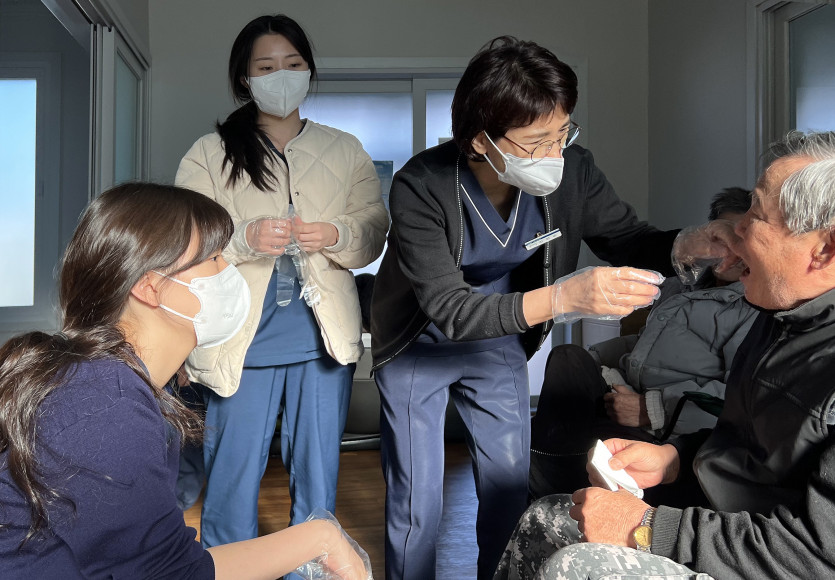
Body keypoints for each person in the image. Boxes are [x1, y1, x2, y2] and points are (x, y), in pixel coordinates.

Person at [370, 36, 681, 580]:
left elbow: (628, 238)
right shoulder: (421, 186)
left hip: (498, 345)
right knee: (418, 502)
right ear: (480, 140)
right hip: (421, 343)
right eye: (537, 141)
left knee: (508, 490)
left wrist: (689, 245)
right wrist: (564, 297)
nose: (555, 154)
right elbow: (450, 310)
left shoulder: (573, 172)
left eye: (563, 133)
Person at [494, 130, 835, 580]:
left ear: (824, 250)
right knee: (548, 516)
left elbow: (814, 555)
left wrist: (647, 528)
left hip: (765, 557)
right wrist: (674, 460)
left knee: (577, 565)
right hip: (723, 519)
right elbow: (746, 448)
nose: (737, 230)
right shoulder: (777, 316)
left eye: (757, 214)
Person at [0, 183, 370, 580]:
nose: (230, 273)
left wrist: (320, 539)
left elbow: (167, 564)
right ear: (150, 286)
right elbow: (174, 575)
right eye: (214, 258)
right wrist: (320, 538)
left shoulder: (109, 382)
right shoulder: (104, 403)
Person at [175, 14, 388, 548]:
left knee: (318, 481)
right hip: (240, 342)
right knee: (231, 479)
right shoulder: (210, 152)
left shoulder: (345, 149)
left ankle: (309, 569)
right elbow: (183, 240)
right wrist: (244, 236)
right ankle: (229, 567)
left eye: (293, 64)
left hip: (323, 342)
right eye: (267, 67)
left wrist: (334, 233)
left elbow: (374, 232)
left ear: (309, 71)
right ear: (244, 78)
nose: (282, 76)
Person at [529, 188, 757, 500]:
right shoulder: (682, 286)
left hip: (665, 428)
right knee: (568, 359)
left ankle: (545, 490)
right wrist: (594, 360)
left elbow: (736, 396)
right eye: (723, 238)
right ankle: (543, 481)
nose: (731, 250)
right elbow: (644, 341)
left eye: (742, 240)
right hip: (622, 390)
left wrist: (651, 409)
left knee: (574, 438)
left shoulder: (752, 309)